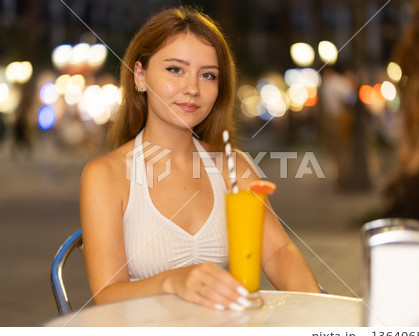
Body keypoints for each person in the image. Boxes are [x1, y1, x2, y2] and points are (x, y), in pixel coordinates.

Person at [80, 6, 320, 312]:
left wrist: (318, 313)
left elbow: (279, 252)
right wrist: (173, 281)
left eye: (207, 75)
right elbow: (106, 295)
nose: (192, 88)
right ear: (140, 76)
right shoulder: (105, 175)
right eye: (175, 69)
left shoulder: (233, 167)